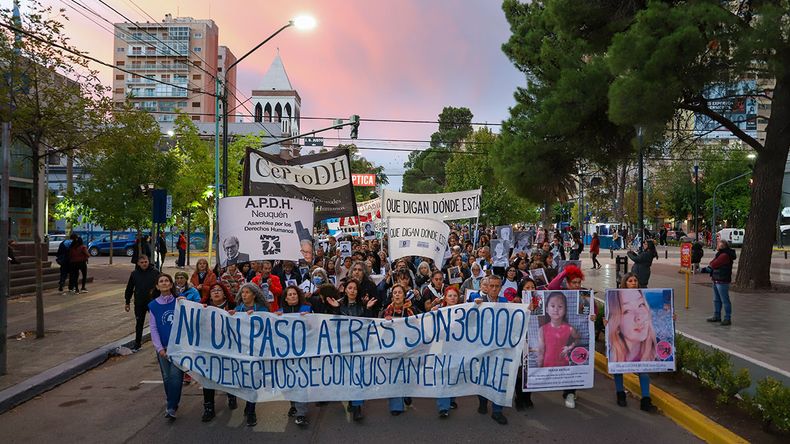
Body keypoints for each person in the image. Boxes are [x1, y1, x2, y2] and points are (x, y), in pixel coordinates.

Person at [605, 273, 661, 412]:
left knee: (644, 372)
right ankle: (620, 394)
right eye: (627, 311)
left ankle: (646, 399)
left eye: (641, 305)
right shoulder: (617, 350)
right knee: (619, 368)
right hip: (620, 352)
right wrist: (606, 322)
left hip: (643, 355)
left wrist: (672, 316)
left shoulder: (652, 350)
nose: (633, 282)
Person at [325, 278, 377, 421]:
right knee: (347, 376)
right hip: (344, 346)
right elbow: (334, 325)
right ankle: (351, 400)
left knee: (358, 376)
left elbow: (368, 325)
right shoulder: (339, 304)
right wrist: (335, 309)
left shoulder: (363, 305)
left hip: (359, 347)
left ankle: (357, 407)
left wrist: (368, 310)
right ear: (345, 290)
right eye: (350, 288)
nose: (352, 291)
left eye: (355, 288)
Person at [469, 275, 509, 424]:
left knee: (499, 378)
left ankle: (497, 410)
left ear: (500, 287)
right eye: (491, 286)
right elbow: (468, 320)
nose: (494, 289)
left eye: (497, 286)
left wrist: (527, 310)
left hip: (500, 346)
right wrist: (474, 307)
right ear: (486, 286)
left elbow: (516, 319)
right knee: (483, 376)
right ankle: (483, 401)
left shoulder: (505, 302)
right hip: (482, 347)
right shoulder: (478, 301)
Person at [229, 283, 269, 426]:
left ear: (254, 294)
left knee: (253, 381)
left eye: (247, 292)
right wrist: (230, 316)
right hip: (240, 351)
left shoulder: (262, 309)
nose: (244, 295)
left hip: (256, 351)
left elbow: (267, 328)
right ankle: (247, 403)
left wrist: (257, 317)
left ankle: (251, 410)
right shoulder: (237, 309)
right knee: (243, 381)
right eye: (242, 292)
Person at [200, 283, 238, 423]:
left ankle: (231, 395)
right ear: (209, 294)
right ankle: (209, 407)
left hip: (229, 348)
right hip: (209, 349)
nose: (216, 293)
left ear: (224, 293)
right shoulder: (203, 308)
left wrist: (237, 315)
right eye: (213, 291)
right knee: (208, 377)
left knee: (228, 373)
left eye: (219, 290)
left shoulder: (233, 307)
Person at [148, 273, 183, 420]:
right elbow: (153, 328)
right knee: (167, 378)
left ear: (171, 284)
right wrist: (160, 348)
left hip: (178, 348)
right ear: (157, 286)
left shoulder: (179, 302)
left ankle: (171, 406)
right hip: (163, 348)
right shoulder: (153, 305)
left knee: (176, 377)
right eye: (161, 281)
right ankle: (172, 402)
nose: (164, 283)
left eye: (166, 281)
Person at [277, 285, 311, 426]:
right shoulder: (279, 312)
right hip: (285, 353)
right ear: (285, 298)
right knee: (288, 381)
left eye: (295, 294)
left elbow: (314, 328)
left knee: (300, 381)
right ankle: (294, 404)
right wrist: (273, 318)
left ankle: (301, 413)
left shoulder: (307, 310)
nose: (292, 296)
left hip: (302, 352)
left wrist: (309, 320)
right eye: (289, 294)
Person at [379, 284, 415, 416]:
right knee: (393, 375)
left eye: (400, 292)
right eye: (395, 293)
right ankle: (396, 405)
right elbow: (380, 333)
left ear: (404, 295)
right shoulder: (385, 312)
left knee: (406, 374)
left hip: (407, 349)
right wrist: (385, 323)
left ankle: (406, 393)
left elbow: (417, 328)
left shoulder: (411, 311)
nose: (397, 295)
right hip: (392, 349)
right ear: (392, 296)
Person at [432, 286, 462, 418]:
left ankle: (451, 399)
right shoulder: (438, 311)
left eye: (455, 295)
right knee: (443, 376)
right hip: (442, 348)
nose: (453, 298)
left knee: (454, 374)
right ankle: (443, 406)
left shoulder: (462, 311)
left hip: (457, 348)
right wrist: (432, 313)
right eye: (450, 295)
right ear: (445, 297)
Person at [124, 255, 159, 351]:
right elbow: (129, 288)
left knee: (156, 323)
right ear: (138, 263)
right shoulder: (134, 274)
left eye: (146, 262)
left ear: (148, 262)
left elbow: (161, 286)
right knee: (139, 323)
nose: (144, 264)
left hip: (153, 302)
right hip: (139, 302)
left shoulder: (155, 272)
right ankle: (137, 343)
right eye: (142, 262)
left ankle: (160, 343)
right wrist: (127, 302)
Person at [702, 240, 737, 326]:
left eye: (718, 244)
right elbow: (712, 263)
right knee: (716, 299)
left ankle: (727, 318)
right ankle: (717, 315)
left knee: (725, 300)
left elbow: (714, 264)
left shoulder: (725, 255)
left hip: (722, 280)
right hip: (716, 279)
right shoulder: (720, 254)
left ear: (723, 246)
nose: (717, 245)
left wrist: (709, 267)